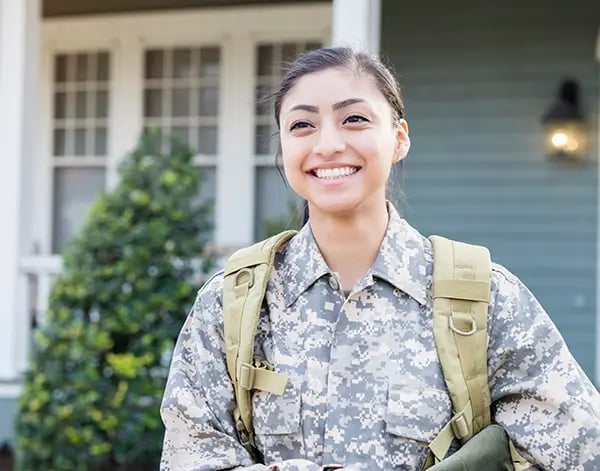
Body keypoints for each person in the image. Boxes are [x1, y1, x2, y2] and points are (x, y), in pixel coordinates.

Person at [160, 47, 600, 470]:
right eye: (301, 126)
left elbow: (585, 454)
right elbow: (191, 458)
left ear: (399, 139)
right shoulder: (233, 304)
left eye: (354, 119)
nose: (328, 144)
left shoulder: (483, 299)